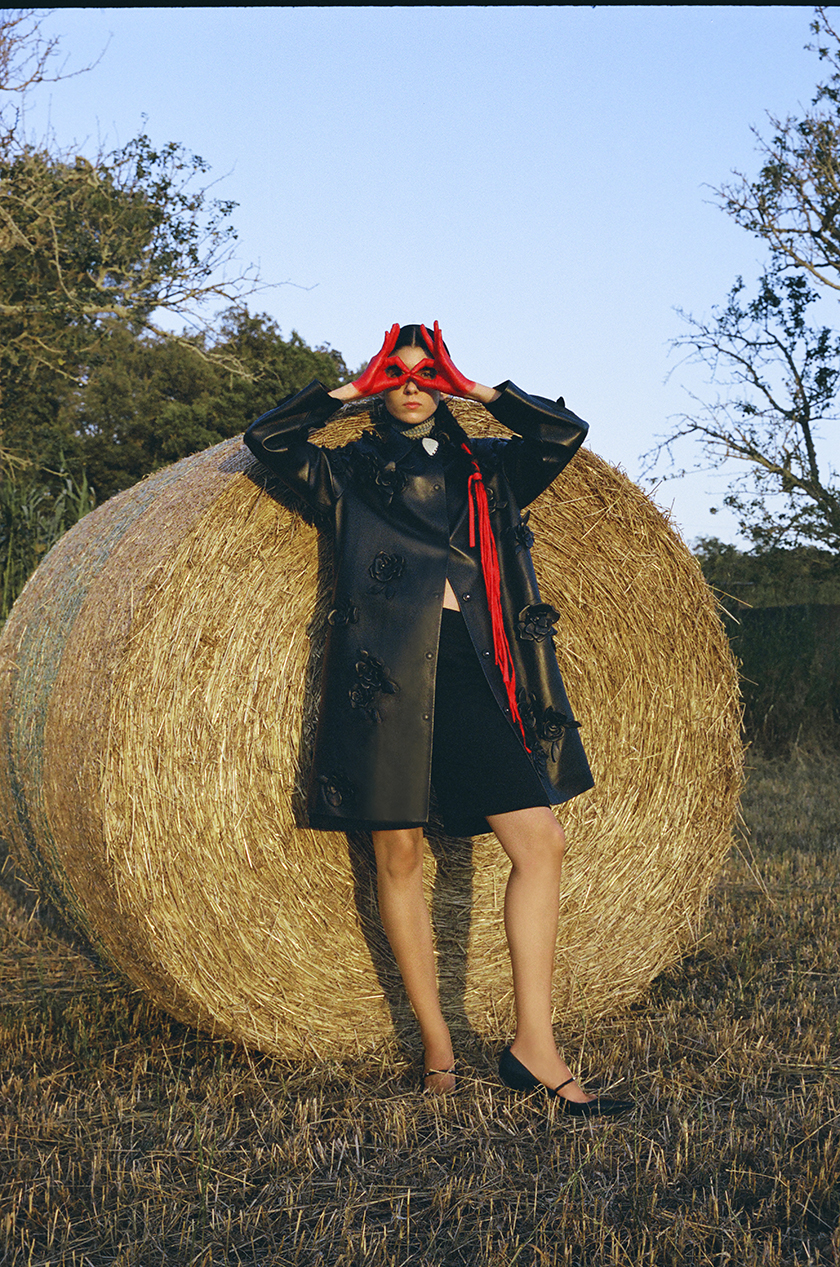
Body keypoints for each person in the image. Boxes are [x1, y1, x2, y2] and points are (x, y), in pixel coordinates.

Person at [244, 322, 631, 1115]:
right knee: (399, 859)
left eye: (428, 374)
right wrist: (349, 387)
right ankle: (438, 1048)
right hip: (382, 681)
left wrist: (480, 389)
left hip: (476, 674)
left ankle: (535, 1045)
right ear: (381, 388)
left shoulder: (490, 466)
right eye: (401, 374)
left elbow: (564, 433)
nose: (414, 384)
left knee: (542, 841)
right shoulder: (343, 472)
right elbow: (268, 438)